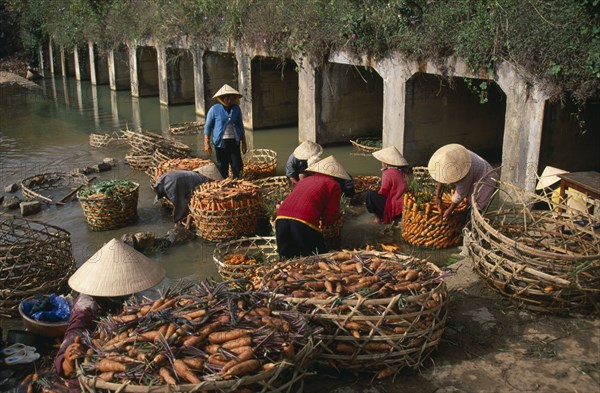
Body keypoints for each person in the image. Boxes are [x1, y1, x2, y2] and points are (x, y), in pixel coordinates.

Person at [54, 239, 166, 390]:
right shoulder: (87, 306)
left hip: (119, 344)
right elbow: (74, 333)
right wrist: (67, 361)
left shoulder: (123, 293)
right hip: (95, 362)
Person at [275, 155, 350, 259]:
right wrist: (327, 224)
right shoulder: (333, 184)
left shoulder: (305, 180)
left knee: (287, 259)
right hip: (303, 220)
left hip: (280, 217)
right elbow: (331, 214)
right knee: (317, 257)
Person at [427, 143, 497, 220]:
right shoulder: (450, 157)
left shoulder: (464, 170)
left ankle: (472, 226)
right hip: (475, 175)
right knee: (468, 207)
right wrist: (438, 196)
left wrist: (449, 210)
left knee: (475, 210)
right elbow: (440, 177)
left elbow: (460, 194)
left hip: (486, 179)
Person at [153, 163, 223, 228]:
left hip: (174, 181)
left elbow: (180, 202)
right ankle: (180, 220)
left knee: (180, 203)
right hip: (174, 180)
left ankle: (179, 221)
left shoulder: (203, 181)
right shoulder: (196, 176)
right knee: (180, 201)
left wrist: (178, 218)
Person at [203, 84, 247, 178]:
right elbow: (208, 126)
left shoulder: (236, 109)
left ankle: (237, 182)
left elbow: (240, 125)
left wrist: (244, 142)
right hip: (220, 143)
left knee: (237, 165)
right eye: (227, 99)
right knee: (223, 166)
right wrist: (207, 143)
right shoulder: (214, 109)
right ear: (222, 99)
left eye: (232, 99)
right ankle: (225, 184)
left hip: (234, 141)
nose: (229, 101)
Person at [365, 146, 409, 224]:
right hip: (404, 207)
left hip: (394, 208)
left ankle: (377, 218)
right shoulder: (403, 172)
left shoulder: (387, 173)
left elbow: (384, 192)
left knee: (369, 195)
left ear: (385, 162)